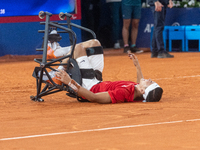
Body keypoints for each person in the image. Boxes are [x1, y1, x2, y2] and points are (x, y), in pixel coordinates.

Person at [46, 39, 163, 104]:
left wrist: (70, 82)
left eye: (150, 82)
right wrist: (137, 66)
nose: (149, 79)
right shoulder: (137, 90)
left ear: (143, 90)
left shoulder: (123, 93)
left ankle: (58, 71)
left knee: (79, 49)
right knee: (95, 43)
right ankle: (57, 52)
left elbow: (93, 97)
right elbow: (138, 83)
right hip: (97, 80)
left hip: (89, 86)